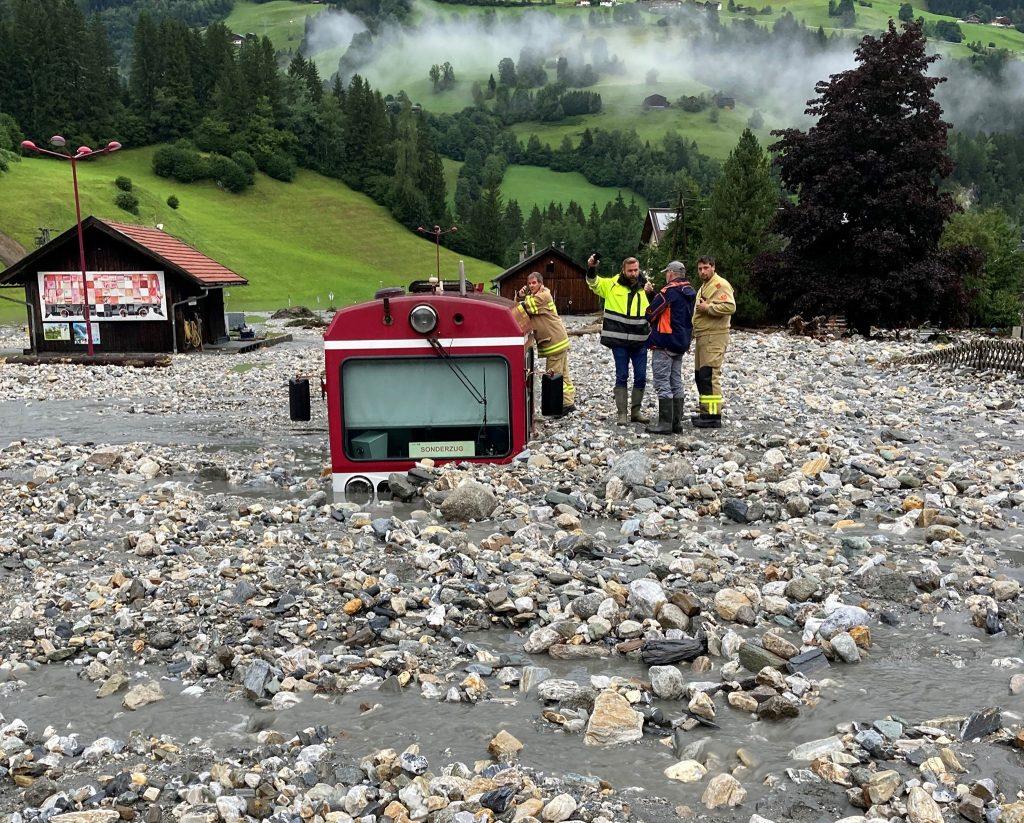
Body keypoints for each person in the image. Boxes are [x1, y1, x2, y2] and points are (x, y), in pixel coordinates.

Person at [585, 254, 651, 425]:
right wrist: (592, 268)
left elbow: (654, 309)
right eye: (630, 271)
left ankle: (636, 412)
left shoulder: (646, 287)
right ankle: (622, 413)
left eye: (636, 270)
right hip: (619, 341)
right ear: (623, 270)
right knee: (622, 376)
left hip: (640, 340)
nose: (633, 273)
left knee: (641, 377)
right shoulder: (611, 285)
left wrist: (652, 294)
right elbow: (594, 283)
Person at [645, 260, 697, 434]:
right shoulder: (690, 291)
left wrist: (651, 297)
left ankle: (665, 424)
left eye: (667, 272)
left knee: (662, 383)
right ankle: (677, 423)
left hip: (664, 343)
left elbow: (651, 313)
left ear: (671, 273)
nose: (666, 275)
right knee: (676, 381)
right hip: (681, 342)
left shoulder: (668, 291)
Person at [515, 271, 575, 414]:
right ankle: (568, 403)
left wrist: (520, 297)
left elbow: (520, 309)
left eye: (534, 283)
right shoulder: (538, 295)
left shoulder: (542, 297)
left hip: (554, 343)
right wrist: (520, 296)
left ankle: (556, 408)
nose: (531, 285)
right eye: (529, 283)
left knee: (553, 375)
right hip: (559, 340)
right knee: (563, 374)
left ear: (540, 283)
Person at [692, 255, 735, 428]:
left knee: (709, 375)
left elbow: (730, 306)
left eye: (706, 268)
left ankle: (713, 415)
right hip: (703, 335)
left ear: (713, 267)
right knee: (700, 375)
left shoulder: (720, 284)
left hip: (714, 335)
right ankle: (705, 412)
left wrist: (708, 308)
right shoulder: (705, 286)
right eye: (700, 268)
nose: (703, 271)